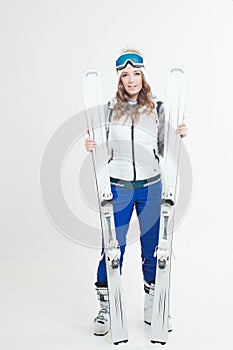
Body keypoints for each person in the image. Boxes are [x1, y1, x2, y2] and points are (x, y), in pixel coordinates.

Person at [85, 49, 188, 336]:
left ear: (143, 75)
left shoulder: (158, 108)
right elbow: (102, 147)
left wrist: (178, 132)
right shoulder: (107, 110)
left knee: (154, 248)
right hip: (118, 187)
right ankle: (106, 307)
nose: (132, 80)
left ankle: (153, 304)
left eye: (136, 74)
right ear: (119, 79)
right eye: (126, 75)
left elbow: (164, 146)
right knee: (112, 247)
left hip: (151, 187)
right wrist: (92, 148)